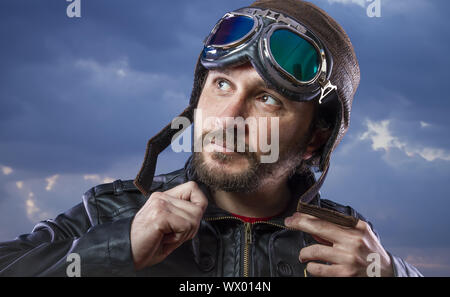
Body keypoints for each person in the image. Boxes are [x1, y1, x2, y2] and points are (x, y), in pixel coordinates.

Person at [0, 0, 422, 277]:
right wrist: (116, 248)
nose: (229, 119)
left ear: (315, 138)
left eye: (267, 99)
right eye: (221, 85)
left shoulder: (344, 245)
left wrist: (389, 273)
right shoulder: (112, 212)